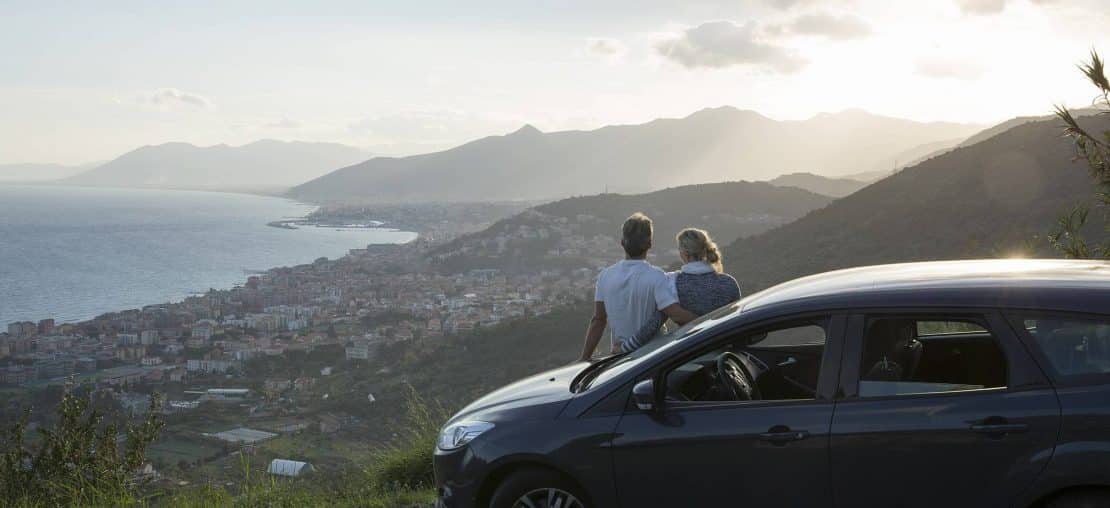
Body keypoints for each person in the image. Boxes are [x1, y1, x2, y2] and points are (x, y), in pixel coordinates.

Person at [578, 213, 697, 362]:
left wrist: (584, 357)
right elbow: (677, 315)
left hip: (622, 359)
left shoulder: (605, 276)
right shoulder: (656, 276)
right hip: (655, 358)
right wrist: (714, 319)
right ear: (649, 244)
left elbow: (599, 320)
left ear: (622, 243)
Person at [617, 228, 741, 353]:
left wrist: (625, 348)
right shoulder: (729, 283)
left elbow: (653, 324)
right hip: (727, 354)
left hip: (691, 354)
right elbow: (738, 322)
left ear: (684, 254)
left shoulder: (672, 283)